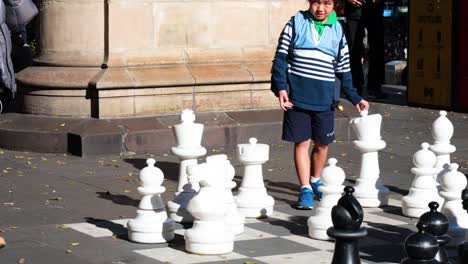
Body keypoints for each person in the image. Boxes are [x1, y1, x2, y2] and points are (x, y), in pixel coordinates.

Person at [271, 0, 369, 210]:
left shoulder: (338, 31)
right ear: (309, 2)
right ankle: (305, 188)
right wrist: (280, 87)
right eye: (316, 2)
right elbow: (280, 57)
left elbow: (344, 69)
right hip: (297, 97)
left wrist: (354, 97)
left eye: (327, 3)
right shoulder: (295, 23)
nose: (320, 8)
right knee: (302, 142)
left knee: (322, 144)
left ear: (335, 5)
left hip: (324, 99)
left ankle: (315, 179)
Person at [344, 0, 385, 98]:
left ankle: (374, 87)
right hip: (354, 9)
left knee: (377, 48)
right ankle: (354, 87)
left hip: (375, 8)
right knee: (353, 48)